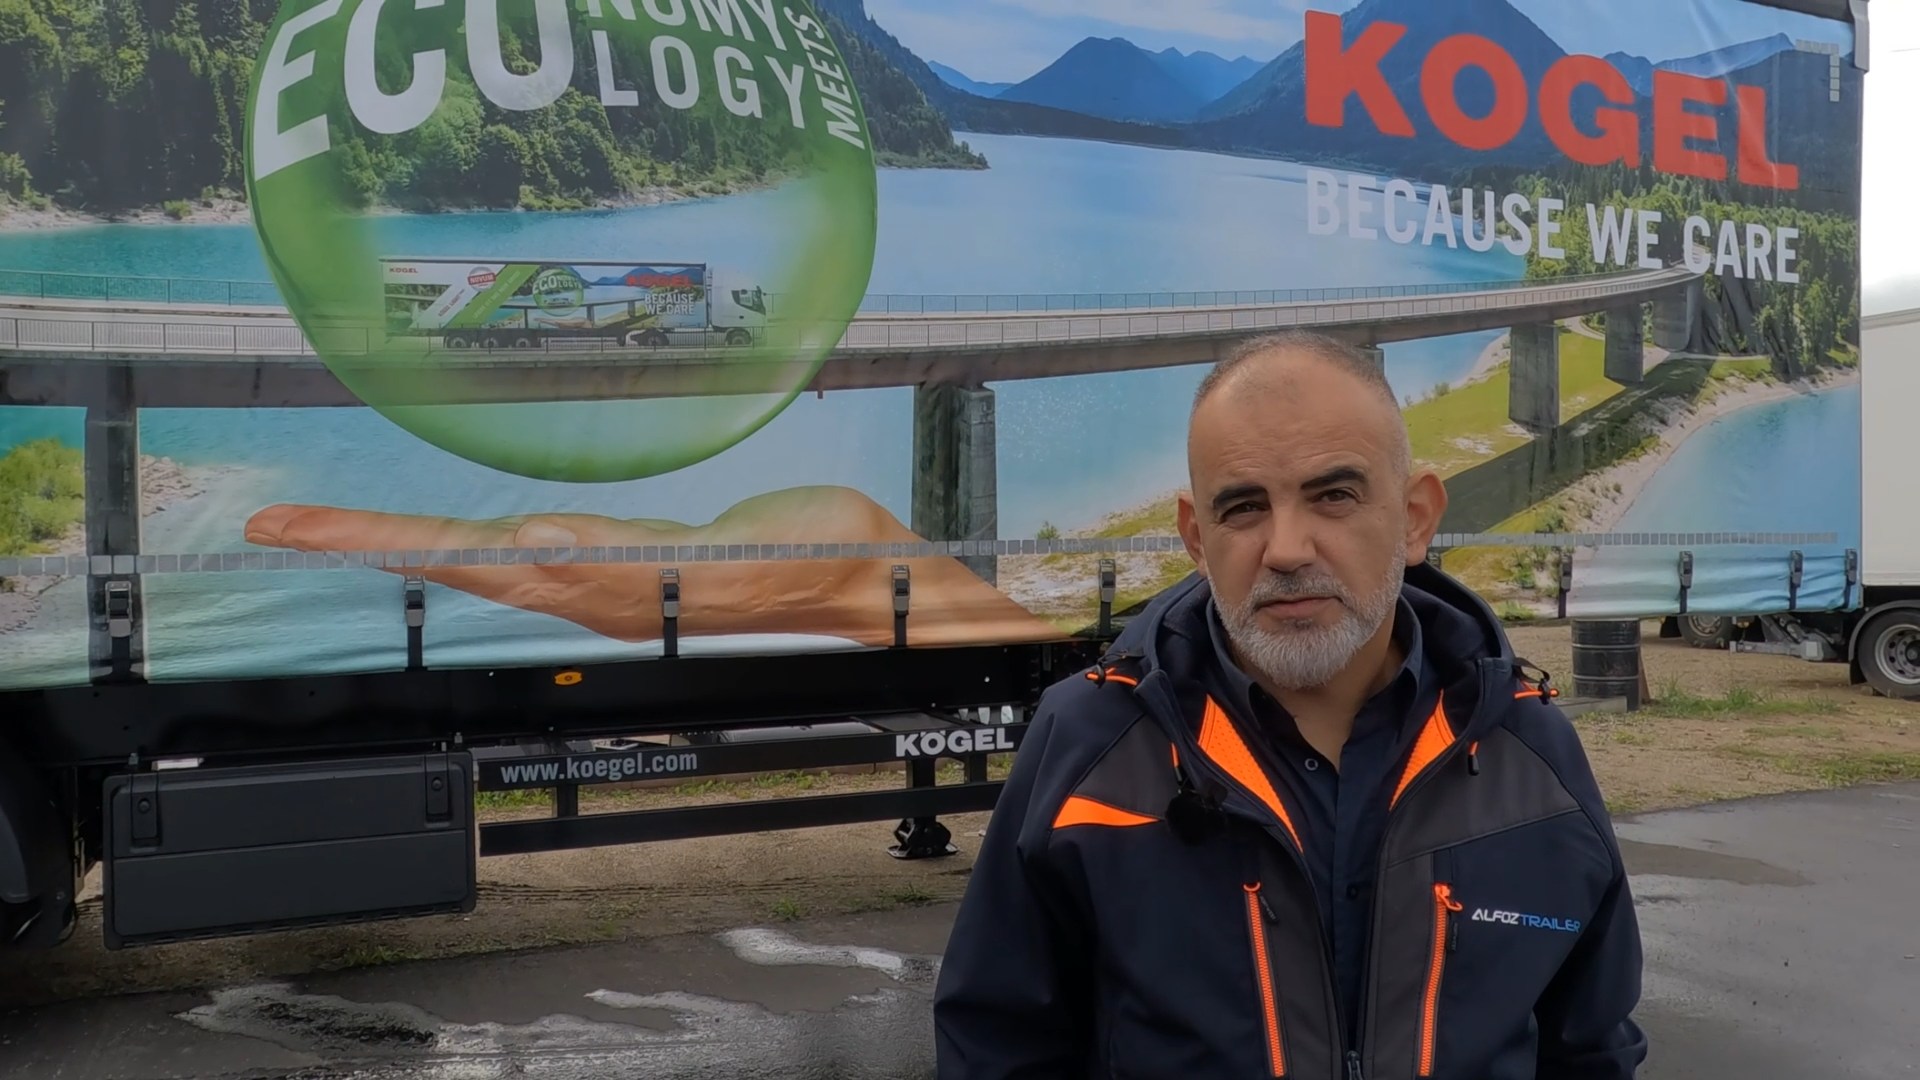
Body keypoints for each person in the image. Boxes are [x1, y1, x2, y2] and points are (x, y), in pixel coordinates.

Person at [932, 330, 1647, 1079]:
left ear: (1415, 517)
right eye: (1242, 508)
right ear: (1196, 537)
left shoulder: (1530, 754)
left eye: (1333, 496)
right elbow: (998, 1044)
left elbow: (1590, 1046)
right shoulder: (1090, 745)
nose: (1286, 549)